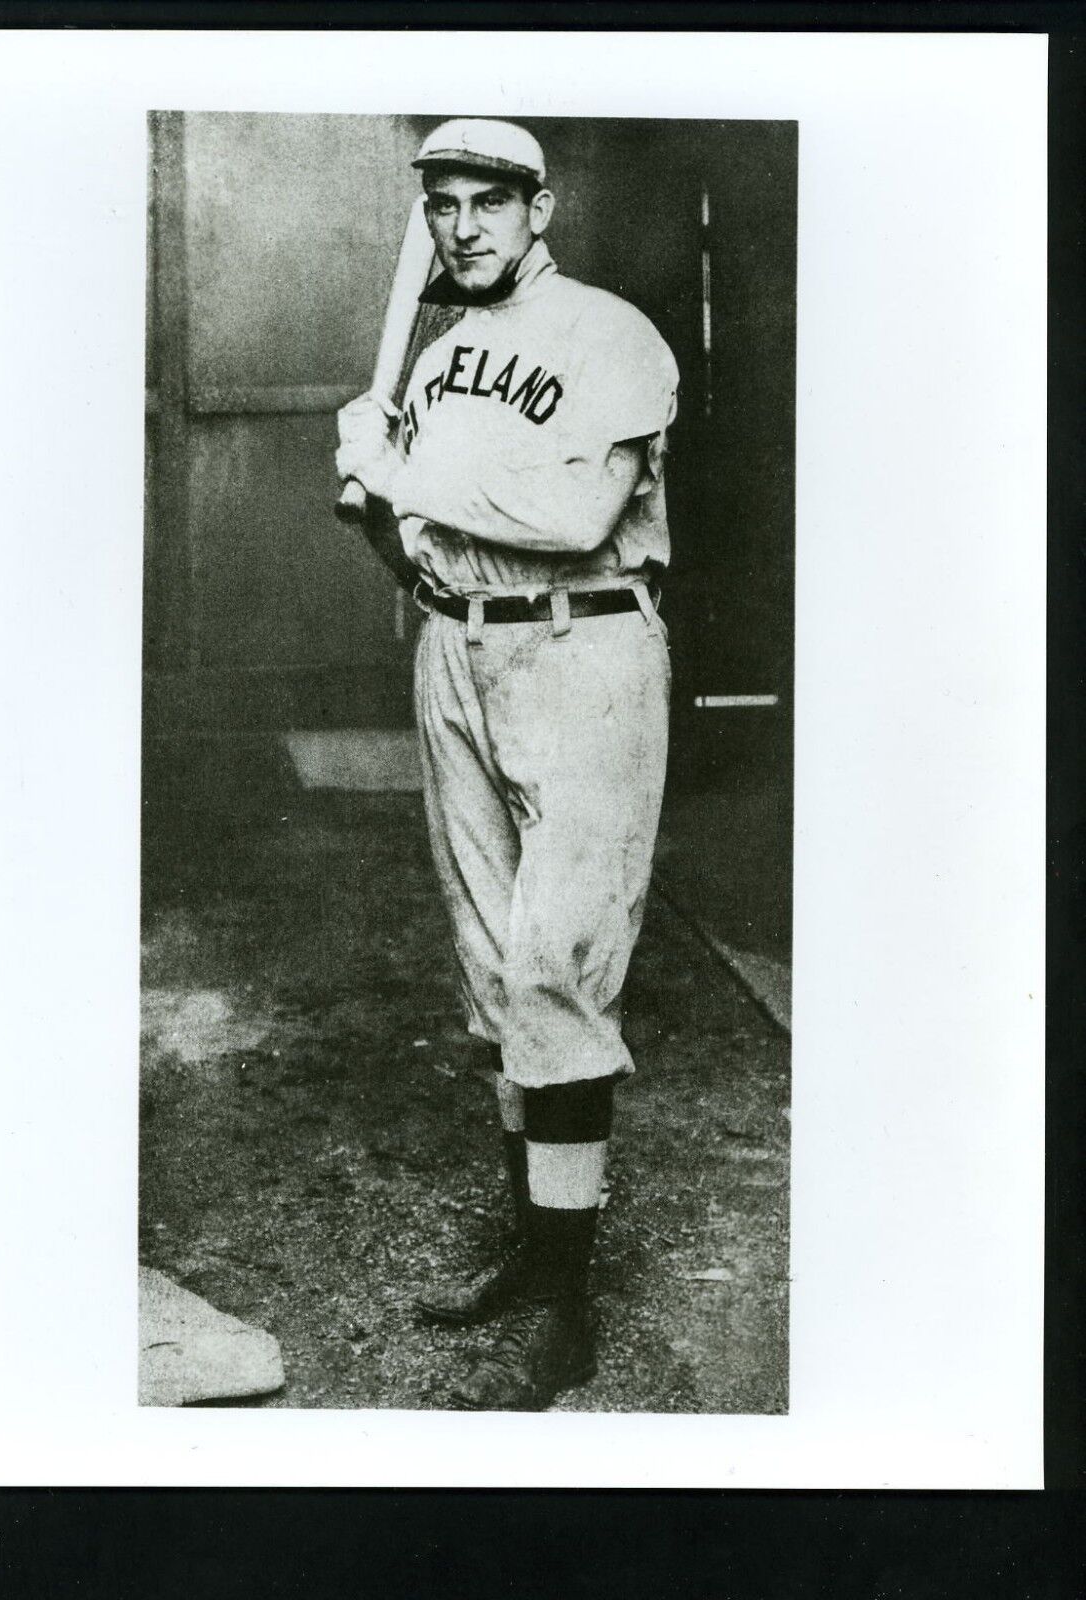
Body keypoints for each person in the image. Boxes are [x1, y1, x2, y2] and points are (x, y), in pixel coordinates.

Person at [335, 118, 679, 1411]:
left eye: (490, 201)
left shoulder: (606, 331)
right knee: (491, 969)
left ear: (543, 208)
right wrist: (375, 496)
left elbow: (572, 517)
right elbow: (410, 545)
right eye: (443, 203)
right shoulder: (439, 347)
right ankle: (534, 1253)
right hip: (456, 656)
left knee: (555, 962)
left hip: (580, 658)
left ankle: (571, 1297)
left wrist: (402, 468)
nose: (463, 224)